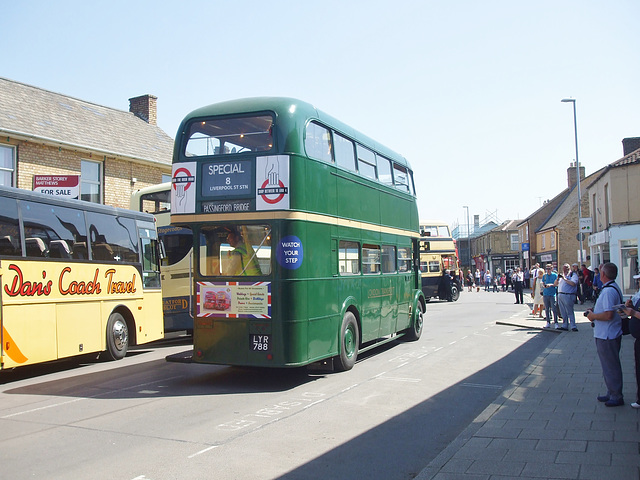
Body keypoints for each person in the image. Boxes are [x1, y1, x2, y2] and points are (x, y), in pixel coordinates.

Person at [585, 262, 625, 407]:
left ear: (603, 274)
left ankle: (616, 395)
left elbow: (608, 315)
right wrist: (595, 310)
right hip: (608, 333)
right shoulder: (612, 288)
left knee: (610, 365)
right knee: (608, 365)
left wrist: (593, 316)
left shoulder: (608, 291)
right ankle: (612, 391)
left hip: (608, 335)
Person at [556, 263, 579, 331]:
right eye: (563, 268)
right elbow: (556, 284)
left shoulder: (573, 275)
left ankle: (573, 326)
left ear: (569, 268)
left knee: (570, 311)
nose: (564, 270)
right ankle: (565, 325)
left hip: (568, 295)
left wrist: (564, 279)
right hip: (560, 294)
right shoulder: (562, 276)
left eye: (566, 268)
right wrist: (558, 279)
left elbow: (573, 283)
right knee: (563, 312)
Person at [542, 264, 560, 329]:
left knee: (554, 309)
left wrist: (551, 285)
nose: (548, 270)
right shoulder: (544, 276)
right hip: (545, 294)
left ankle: (556, 322)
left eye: (549, 269)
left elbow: (556, 284)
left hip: (552, 294)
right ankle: (548, 322)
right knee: (547, 309)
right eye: (547, 269)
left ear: (552, 269)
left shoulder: (555, 275)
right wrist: (544, 286)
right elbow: (543, 283)